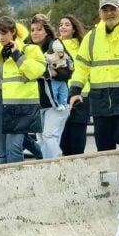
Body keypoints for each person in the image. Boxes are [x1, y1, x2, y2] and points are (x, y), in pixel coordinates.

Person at [0, 17, 46, 164]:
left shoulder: (30, 50)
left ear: (13, 32)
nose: (0, 37)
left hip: (20, 106)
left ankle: (17, 184)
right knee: (0, 152)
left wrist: (17, 55)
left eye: (4, 33)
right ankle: (1, 186)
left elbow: (37, 72)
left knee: (14, 148)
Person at [70, 0, 119, 151]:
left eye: (112, 9)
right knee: (104, 153)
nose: (109, 13)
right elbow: (81, 67)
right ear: (100, 14)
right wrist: (75, 92)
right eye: (105, 10)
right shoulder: (91, 37)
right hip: (100, 104)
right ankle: (109, 177)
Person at [25, 14, 73, 160]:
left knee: (49, 136)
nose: (35, 33)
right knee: (41, 140)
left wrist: (48, 72)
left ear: (46, 31)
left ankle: (54, 168)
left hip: (57, 102)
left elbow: (68, 71)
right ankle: (47, 170)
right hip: (37, 103)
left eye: (39, 29)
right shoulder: (27, 48)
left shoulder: (55, 46)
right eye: (32, 30)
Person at [58, 14, 89, 156]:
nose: (63, 27)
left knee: (77, 140)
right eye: (61, 24)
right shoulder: (54, 46)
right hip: (61, 97)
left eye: (67, 24)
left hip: (80, 97)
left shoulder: (83, 46)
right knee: (63, 141)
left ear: (74, 29)